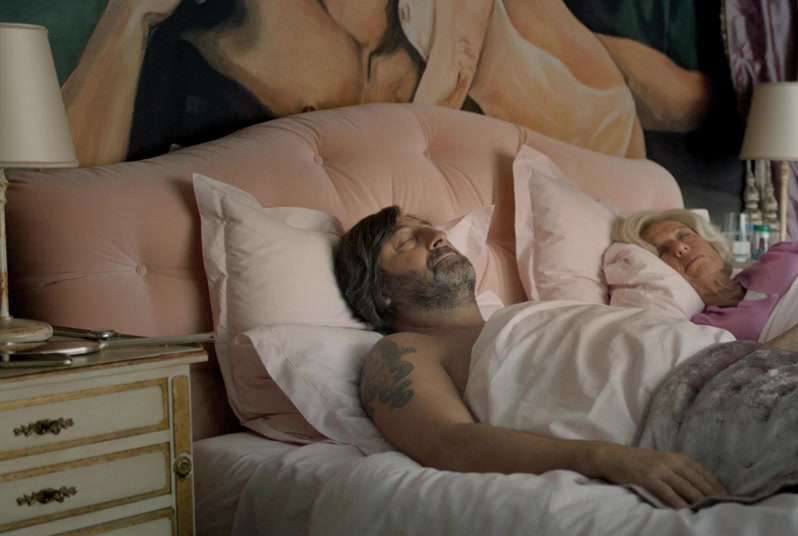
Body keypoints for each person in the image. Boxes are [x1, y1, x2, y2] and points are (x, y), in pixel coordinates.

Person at [333, 205, 728, 509]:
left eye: (428, 227)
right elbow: (447, 442)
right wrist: (608, 459)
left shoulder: (519, 315)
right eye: (406, 242)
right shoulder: (404, 350)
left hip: (724, 361)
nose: (436, 236)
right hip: (684, 414)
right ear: (380, 291)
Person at [59, 0, 711, 166]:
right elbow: (76, 196)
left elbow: (626, 107)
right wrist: (129, 19)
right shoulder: (195, 42)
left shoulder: (464, 18)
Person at [612, 209, 798, 358]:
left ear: (708, 240)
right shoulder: (705, 326)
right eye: (663, 251)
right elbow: (752, 369)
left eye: (683, 235)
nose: (680, 248)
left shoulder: (778, 254)